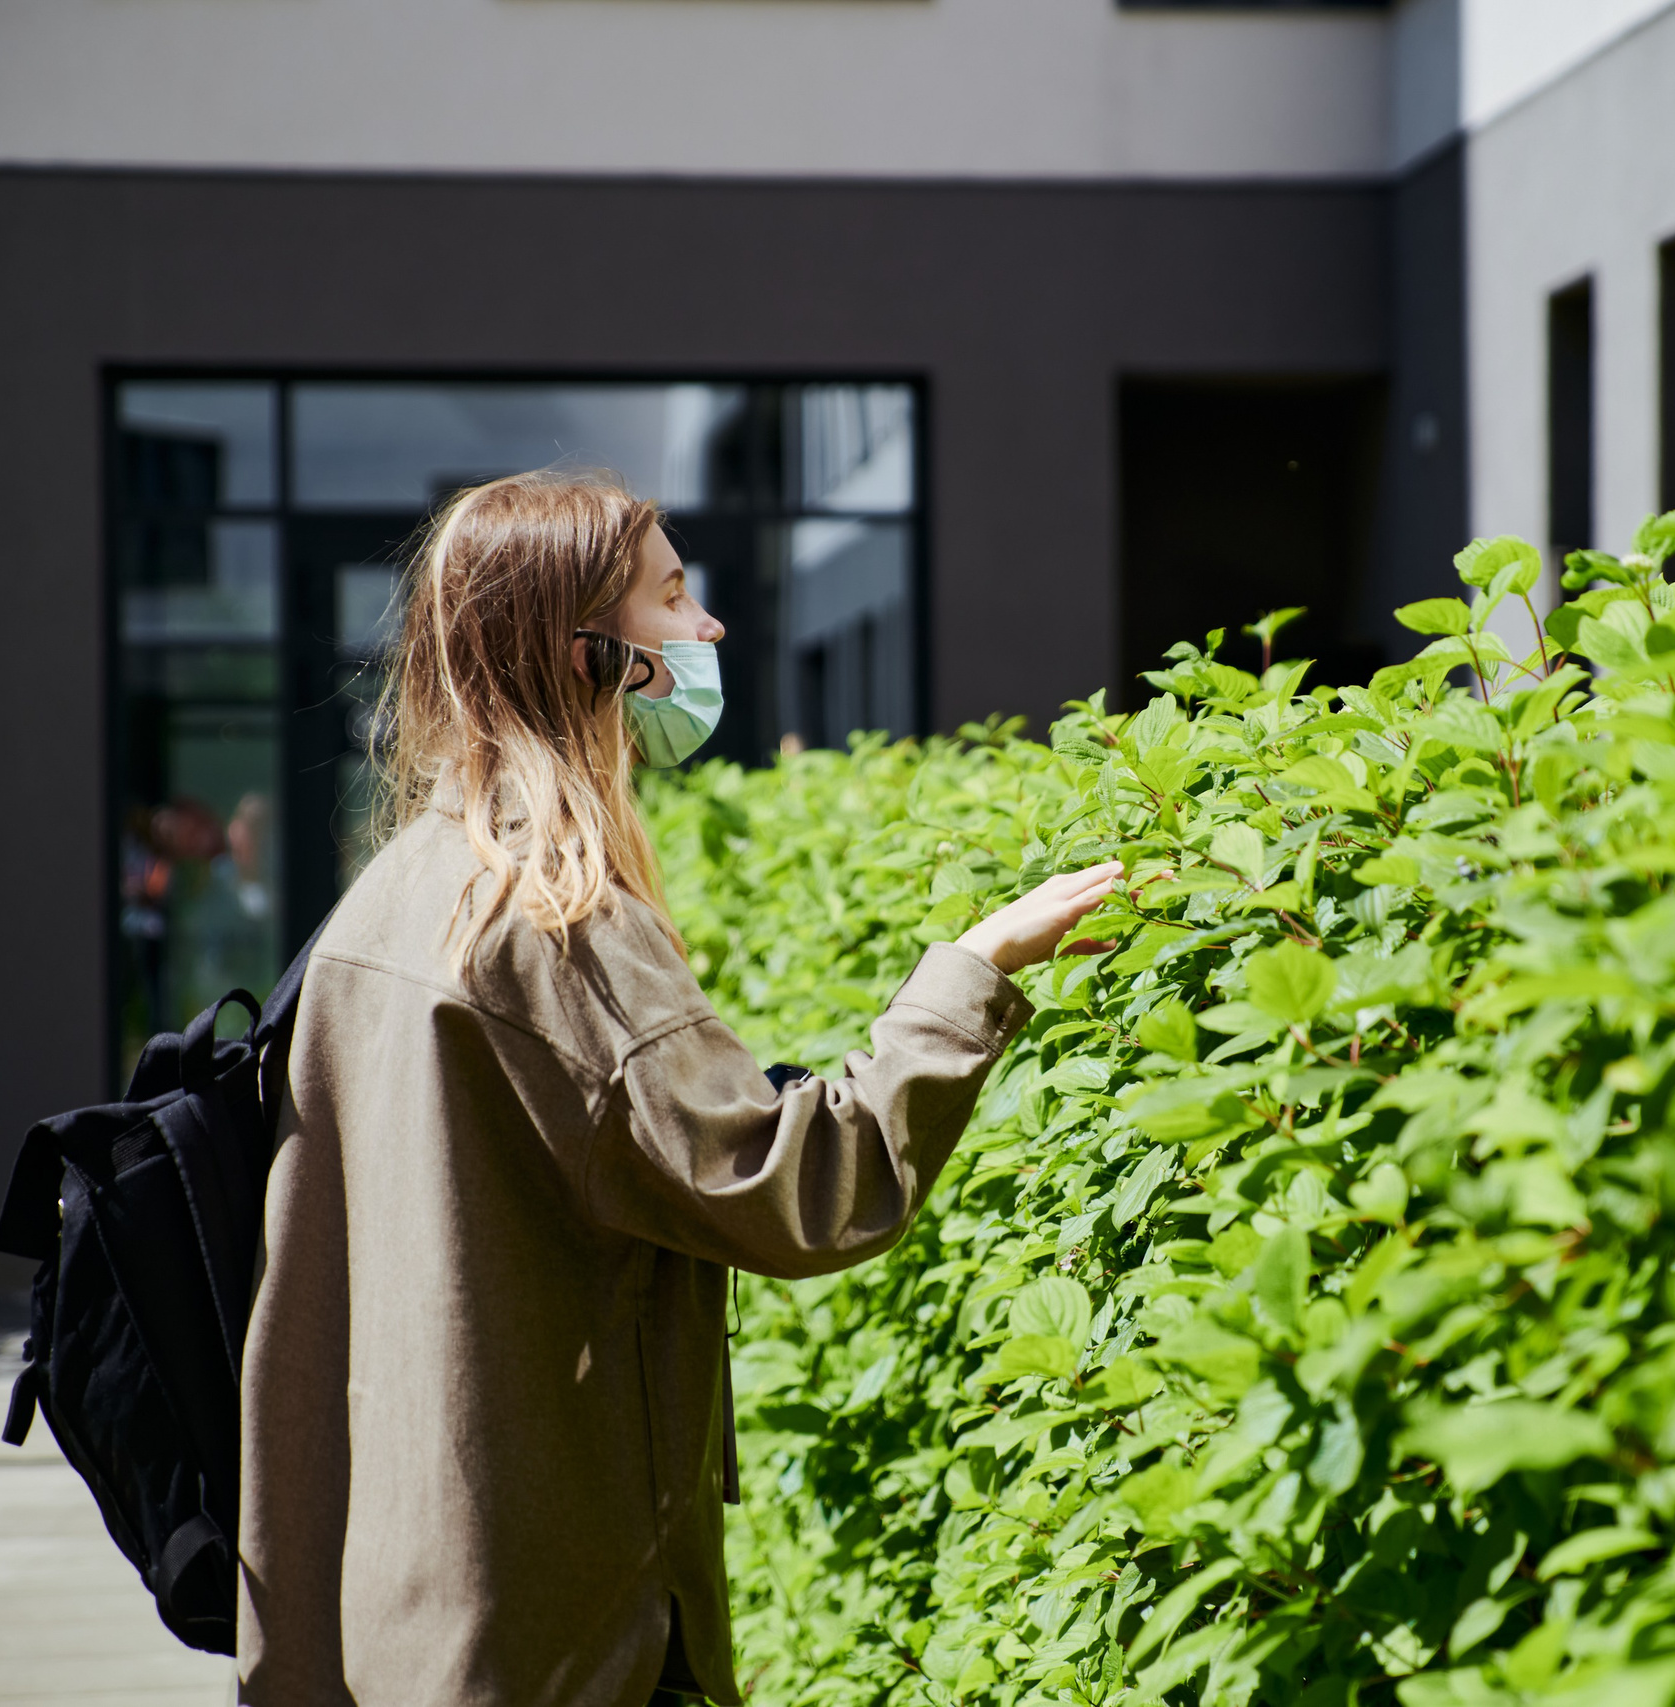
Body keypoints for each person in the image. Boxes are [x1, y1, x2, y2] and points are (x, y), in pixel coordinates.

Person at [236, 469, 1120, 1707]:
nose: (707, 632)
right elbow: (799, 1189)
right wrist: (971, 973)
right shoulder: (548, 921)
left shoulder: (388, 902)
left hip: (410, 1617)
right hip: (563, 1637)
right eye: (673, 596)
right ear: (584, 651)